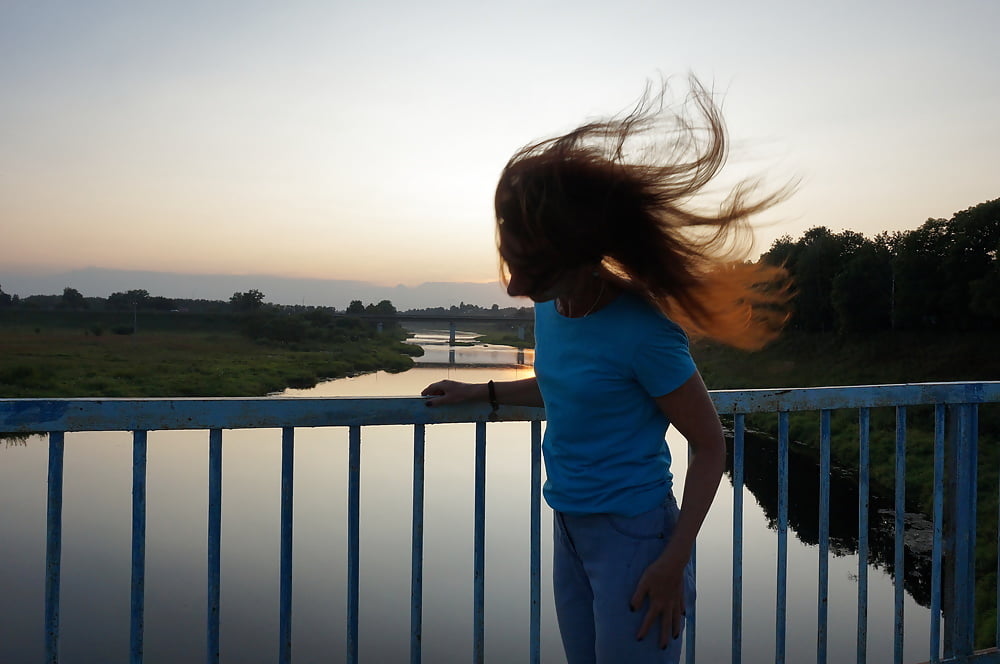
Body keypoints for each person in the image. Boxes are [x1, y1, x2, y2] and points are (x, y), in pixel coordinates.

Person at [421, 77, 790, 664]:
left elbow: (710, 445)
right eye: (510, 262)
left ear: (573, 256)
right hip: (567, 524)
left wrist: (672, 562)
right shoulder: (551, 308)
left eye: (526, 268)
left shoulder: (643, 332)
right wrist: (480, 390)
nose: (513, 286)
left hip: (635, 536)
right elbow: (566, 385)